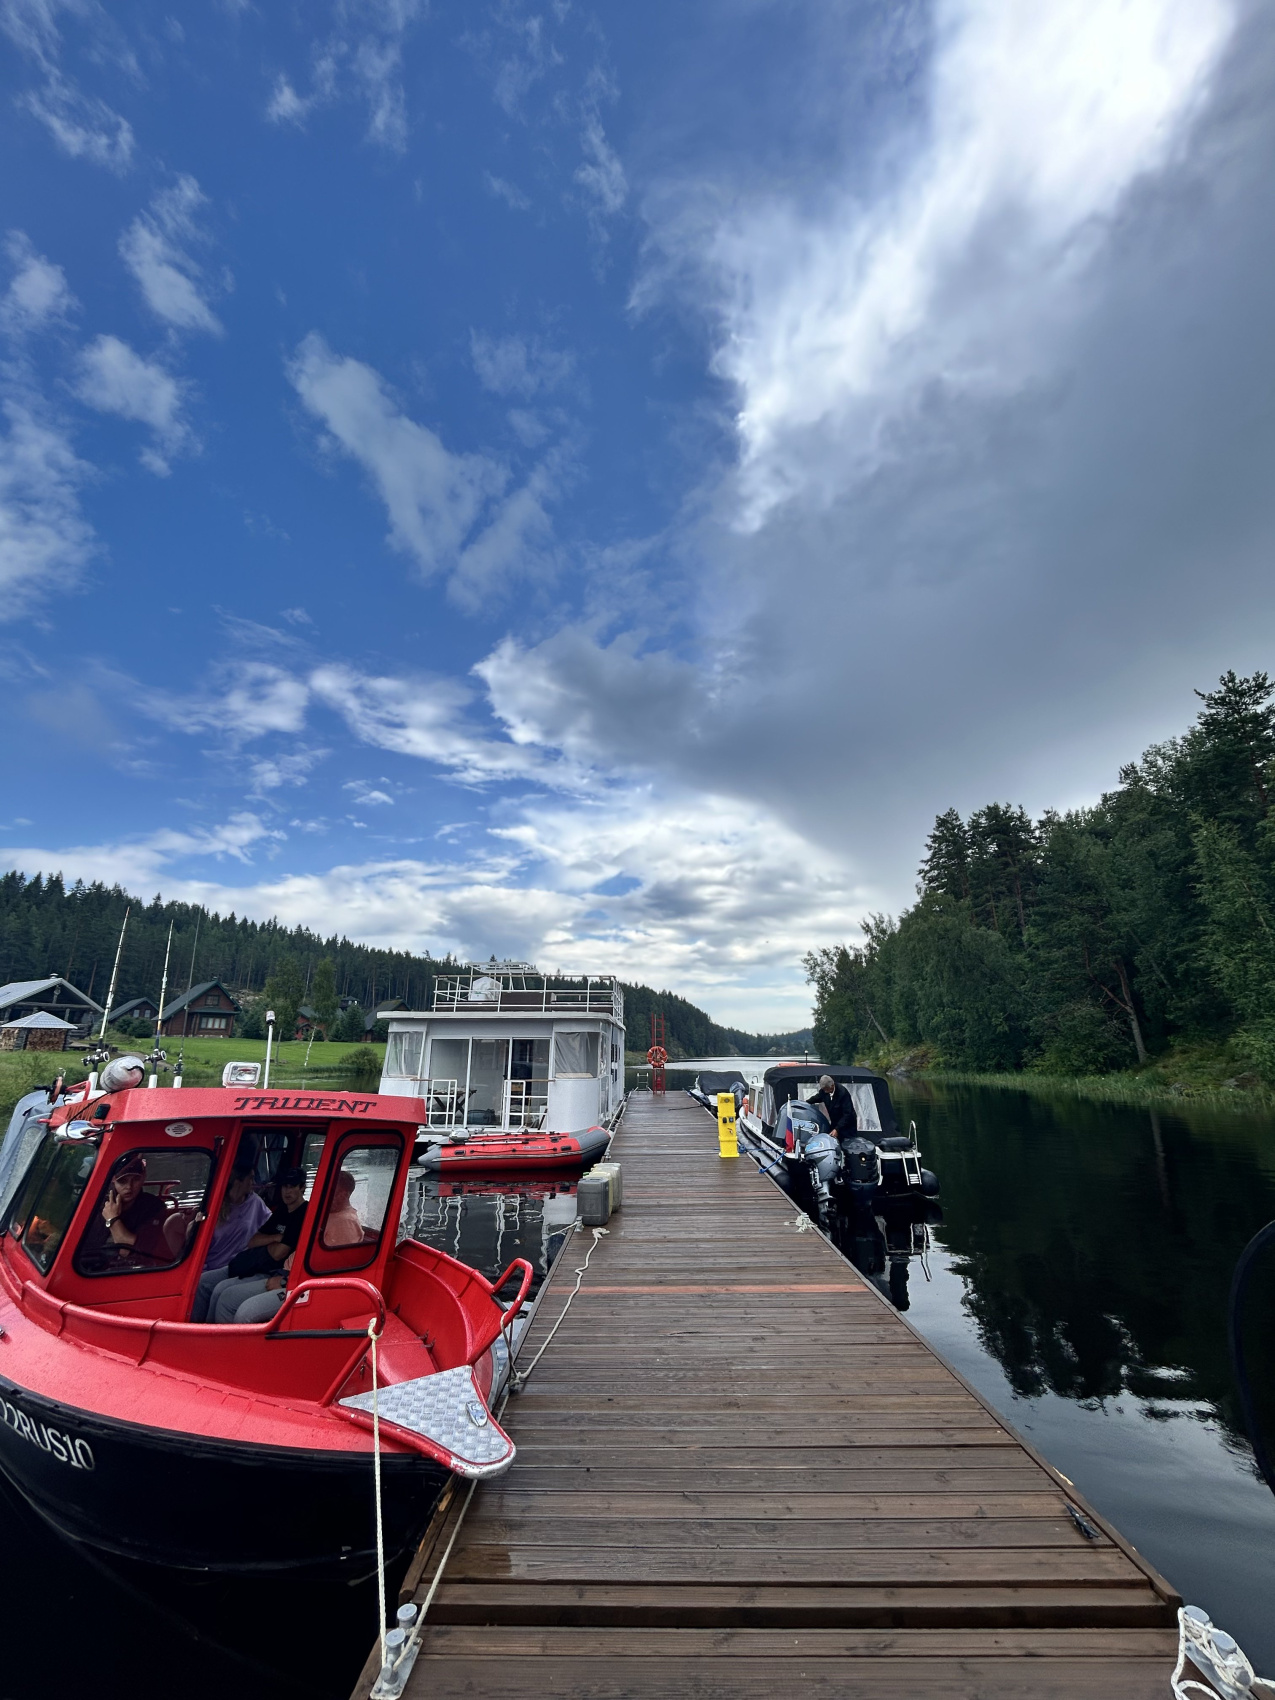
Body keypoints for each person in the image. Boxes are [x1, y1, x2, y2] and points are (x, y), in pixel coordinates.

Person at [203, 1168, 308, 1323]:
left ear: (302, 1188)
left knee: (225, 1296)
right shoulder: (282, 1211)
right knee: (205, 1283)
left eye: (292, 1186)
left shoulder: (303, 1214)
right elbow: (252, 1241)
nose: (287, 1191)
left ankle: (222, 1342)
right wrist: (276, 1237)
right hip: (253, 1263)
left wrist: (269, 1242)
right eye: (284, 1186)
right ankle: (205, 1331)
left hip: (272, 1271)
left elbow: (278, 1253)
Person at [190, 1163, 272, 1322]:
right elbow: (196, 1237)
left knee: (222, 1292)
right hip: (212, 1263)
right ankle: (194, 1325)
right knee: (202, 1282)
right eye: (250, 1178)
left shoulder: (255, 1202)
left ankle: (210, 1330)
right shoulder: (216, 1204)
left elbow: (271, 1224)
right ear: (238, 1182)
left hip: (239, 1262)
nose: (253, 1182)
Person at [78, 1158, 169, 1271]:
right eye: (122, 1181)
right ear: (113, 1179)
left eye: (136, 1179)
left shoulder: (153, 1207)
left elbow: (129, 1251)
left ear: (143, 1177)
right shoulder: (95, 1204)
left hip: (128, 1269)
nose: (129, 1187)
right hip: (90, 1266)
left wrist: (112, 1219)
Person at [322, 1168, 364, 1248]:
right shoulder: (332, 1214)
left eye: (330, 1191)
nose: (324, 1196)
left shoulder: (344, 1223)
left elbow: (334, 1258)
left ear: (344, 1195)